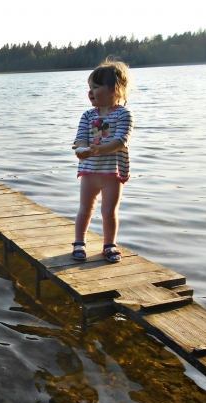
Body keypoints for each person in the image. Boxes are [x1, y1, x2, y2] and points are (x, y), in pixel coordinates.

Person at [71, 56, 134, 263]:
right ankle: (79, 243)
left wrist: (95, 150)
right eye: (89, 87)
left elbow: (120, 141)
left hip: (112, 173)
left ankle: (109, 245)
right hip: (89, 171)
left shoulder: (123, 115)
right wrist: (82, 150)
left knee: (109, 211)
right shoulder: (88, 116)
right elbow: (80, 139)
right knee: (85, 208)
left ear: (113, 91)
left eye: (96, 87)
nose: (90, 92)